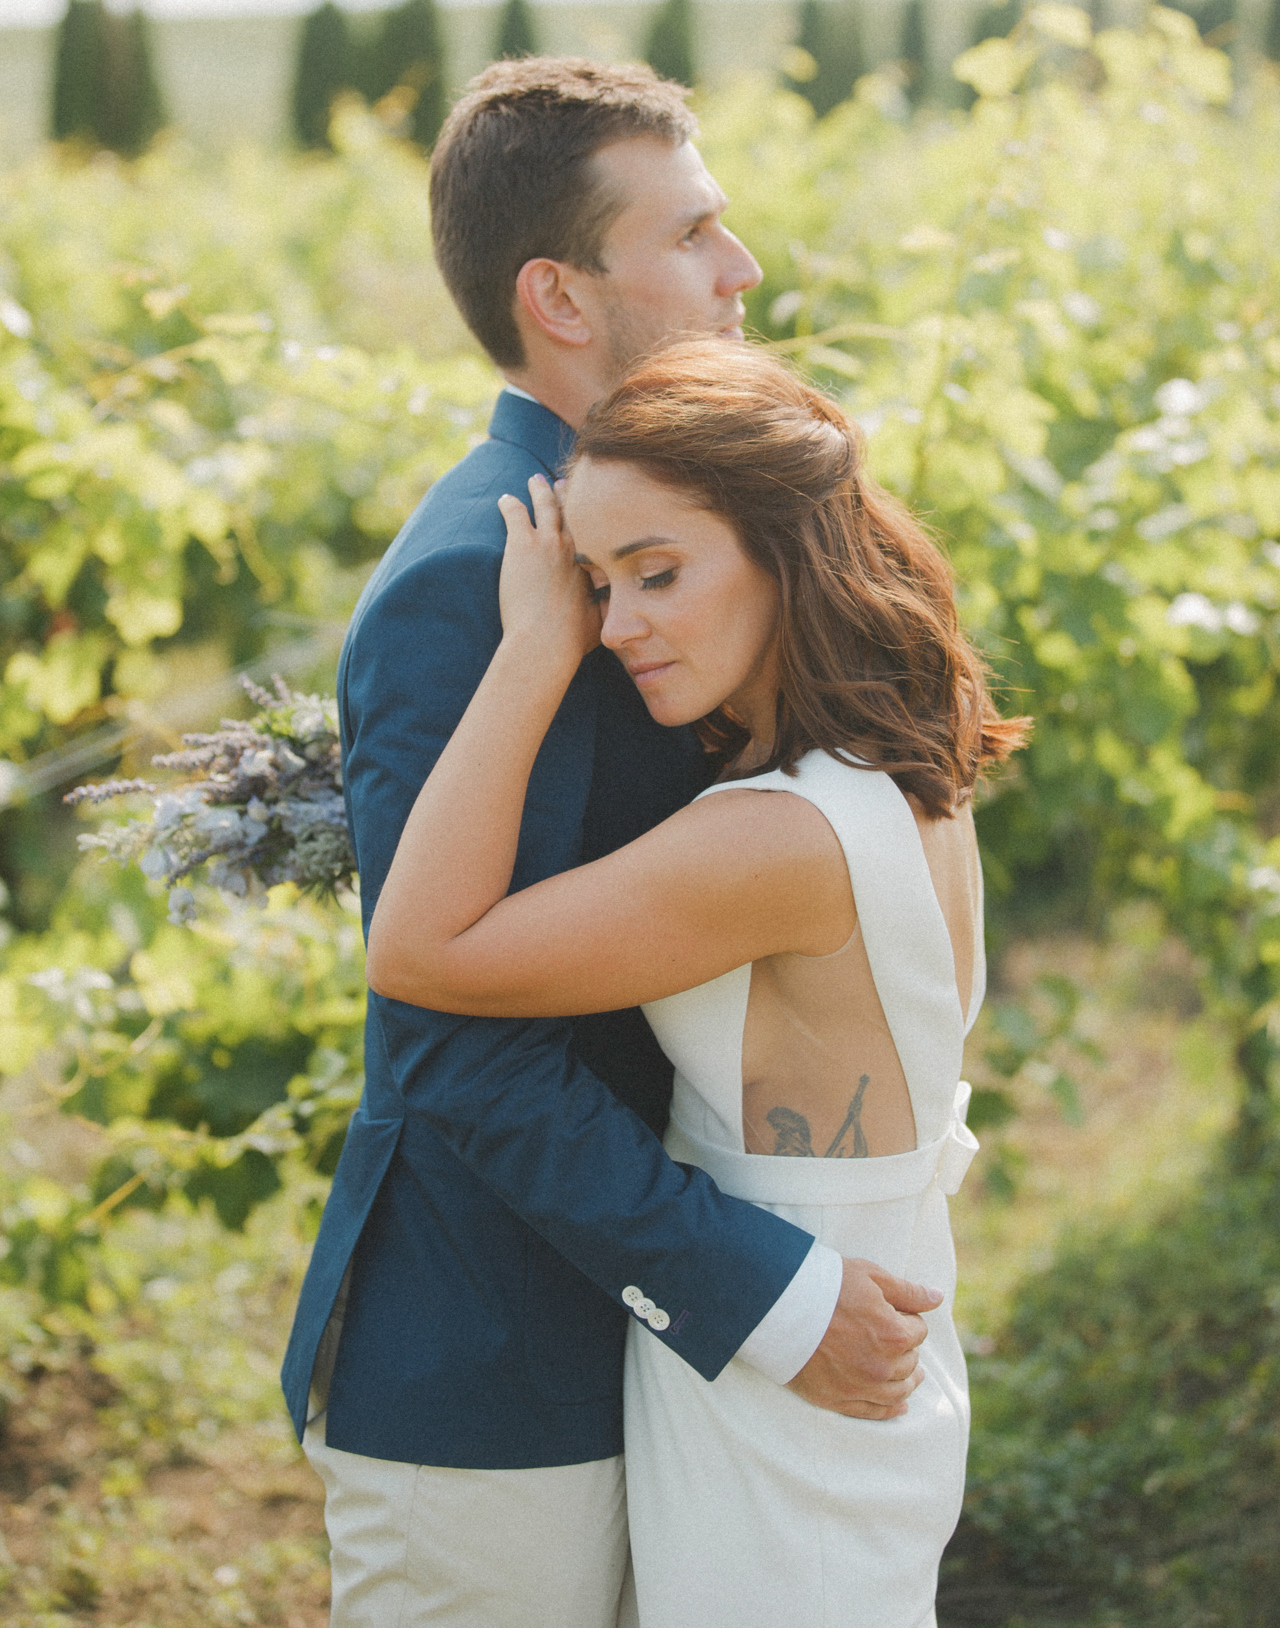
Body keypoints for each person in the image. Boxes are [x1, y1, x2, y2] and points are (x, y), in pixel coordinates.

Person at [280, 60, 943, 1628]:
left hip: (653, 1361)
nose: (746, 267)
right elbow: (447, 1038)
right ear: (561, 298)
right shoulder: (488, 575)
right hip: (502, 1374)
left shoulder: (667, 535)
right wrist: (768, 1296)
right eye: (697, 231)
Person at [366, 342, 1030, 1627]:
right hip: (859, 1324)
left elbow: (416, 953)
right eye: (595, 586)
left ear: (787, 553)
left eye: (655, 575)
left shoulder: (768, 841)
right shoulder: (904, 782)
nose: (615, 626)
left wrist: (527, 653)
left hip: (790, 1388)